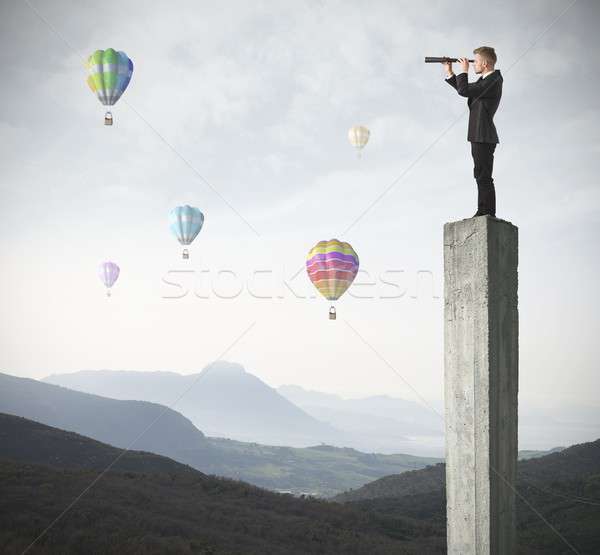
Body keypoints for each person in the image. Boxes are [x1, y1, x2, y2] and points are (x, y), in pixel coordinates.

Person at [444, 47, 503, 217]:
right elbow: (465, 88)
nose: (472, 64)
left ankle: (487, 212)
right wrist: (450, 73)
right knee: (480, 173)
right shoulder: (485, 81)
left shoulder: (494, 80)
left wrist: (463, 70)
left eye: (475, 61)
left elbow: (464, 91)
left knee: (483, 175)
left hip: (483, 134)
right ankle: (483, 210)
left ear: (485, 64)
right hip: (479, 134)